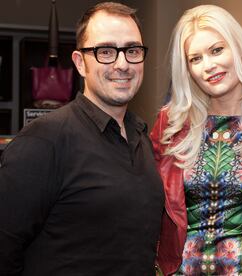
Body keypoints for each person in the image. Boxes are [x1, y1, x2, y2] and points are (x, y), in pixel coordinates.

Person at [0, 2, 164, 275]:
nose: (122, 64)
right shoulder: (45, 140)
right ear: (80, 63)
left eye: (132, 50)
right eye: (106, 52)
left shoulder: (142, 138)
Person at [150, 5, 242, 275]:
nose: (209, 66)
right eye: (195, 59)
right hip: (182, 270)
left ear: (237, 48)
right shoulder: (172, 124)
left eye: (217, 50)